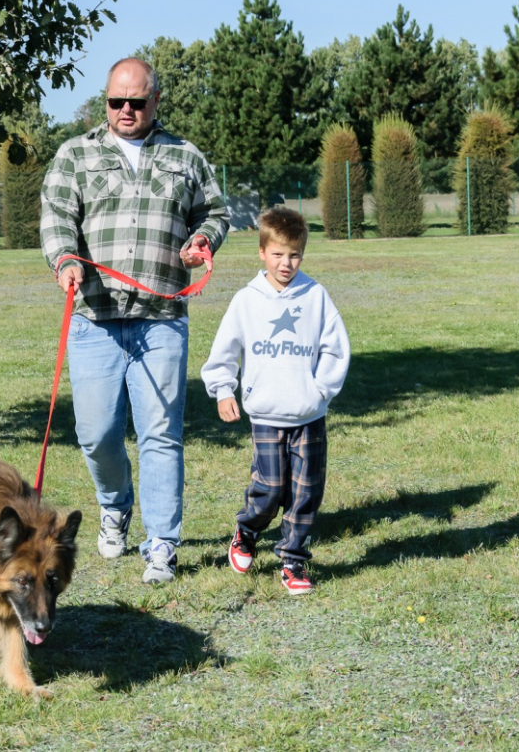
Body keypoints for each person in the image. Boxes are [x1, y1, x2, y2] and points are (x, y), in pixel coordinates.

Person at [40, 57, 229, 584]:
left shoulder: (184, 155)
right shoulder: (75, 154)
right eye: (115, 101)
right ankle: (114, 504)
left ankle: (162, 545)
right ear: (105, 101)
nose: (126, 110)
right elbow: (56, 217)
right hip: (94, 318)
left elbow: (214, 213)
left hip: (161, 317)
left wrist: (202, 241)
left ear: (155, 102)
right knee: (97, 435)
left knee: (161, 433)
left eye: (136, 102)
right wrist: (65, 259)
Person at [200, 207, 350, 594]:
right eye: (279, 254)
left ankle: (293, 561)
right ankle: (247, 531)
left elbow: (336, 349)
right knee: (269, 490)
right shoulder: (246, 301)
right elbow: (224, 353)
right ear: (262, 252)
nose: (287, 263)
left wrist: (320, 391)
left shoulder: (316, 296)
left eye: (295, 255)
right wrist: (223, 390)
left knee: (305, 492)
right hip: (266, 415)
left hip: (308, 415)